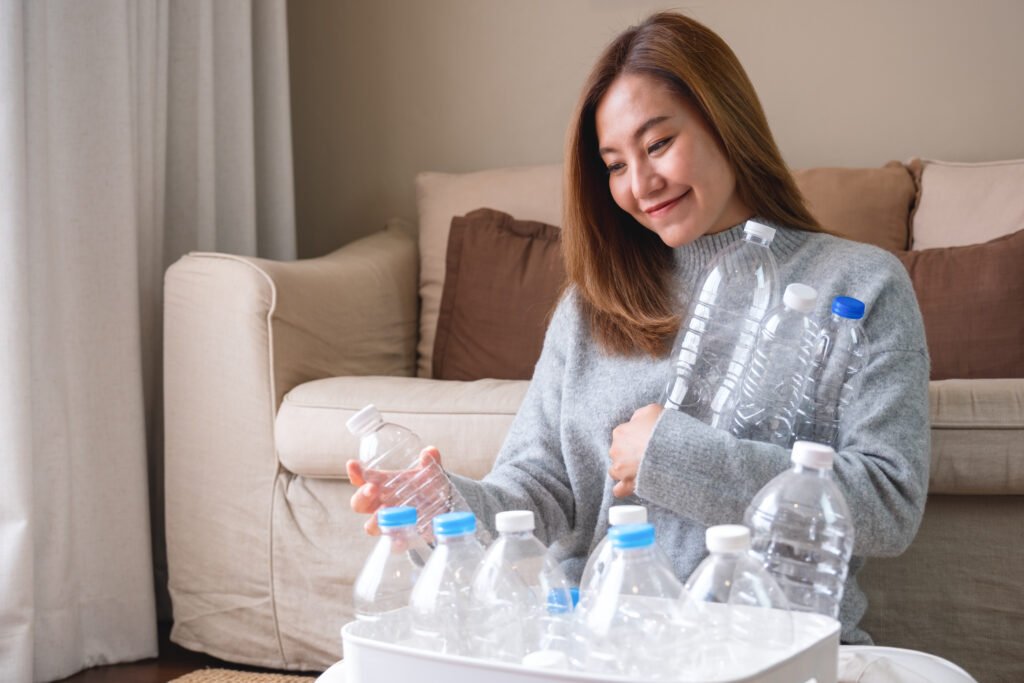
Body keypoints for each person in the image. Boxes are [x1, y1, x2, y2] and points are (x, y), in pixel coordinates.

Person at [347, 11, 929, 645]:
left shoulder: (861, 284)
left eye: (657, 144)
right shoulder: (591, 305)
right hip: (600, 646)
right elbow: (536, 496)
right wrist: (441, 504)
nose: (641, 185)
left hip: (770, 648)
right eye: (615, 164)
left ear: (726, 122)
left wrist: (674, 457)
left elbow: (888, 504)